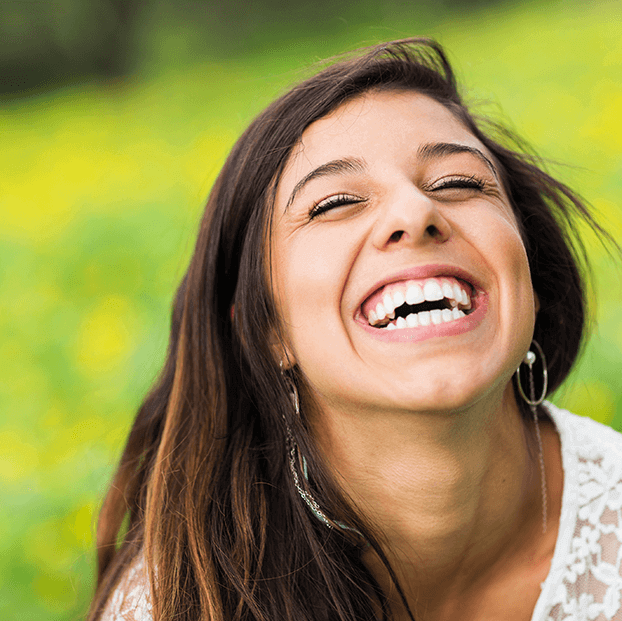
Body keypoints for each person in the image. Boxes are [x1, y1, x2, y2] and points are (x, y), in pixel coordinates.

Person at [88, 38, 622, 621]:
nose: (415, 213)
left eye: (458, 183)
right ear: (267, 332)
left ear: (532, 278)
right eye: (336, 202)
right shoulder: (180, 601)